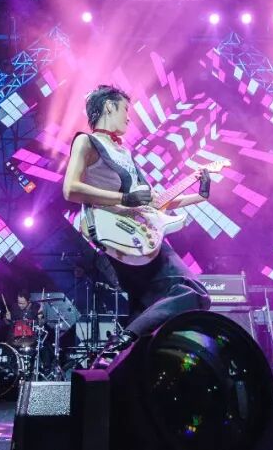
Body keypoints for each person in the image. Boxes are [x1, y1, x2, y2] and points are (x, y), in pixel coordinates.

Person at [62, 84, 212, 367]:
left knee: (145, 307)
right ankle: (122, 343)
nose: (129, 117)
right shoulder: (86, 142)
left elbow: (155, 202)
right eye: (125, 109)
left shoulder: (124, 153)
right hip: (116, 236)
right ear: (109, 106)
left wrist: (199, 195)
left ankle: (115, 359)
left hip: (140, 236)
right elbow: (70, 189)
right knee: (193, 291)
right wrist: (124, 198)